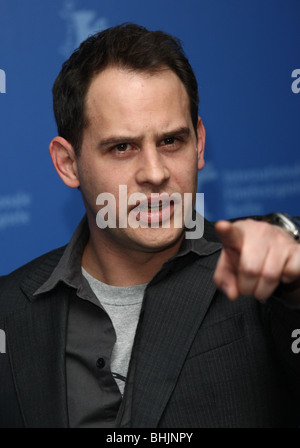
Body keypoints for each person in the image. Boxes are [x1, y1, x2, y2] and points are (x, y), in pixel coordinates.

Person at [0, 23, 300, 429]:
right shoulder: (9, 312)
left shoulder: (262, 275)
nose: (155, 172)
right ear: (68, 164)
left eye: (172, 141)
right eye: (122, 147)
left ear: (200, 144)